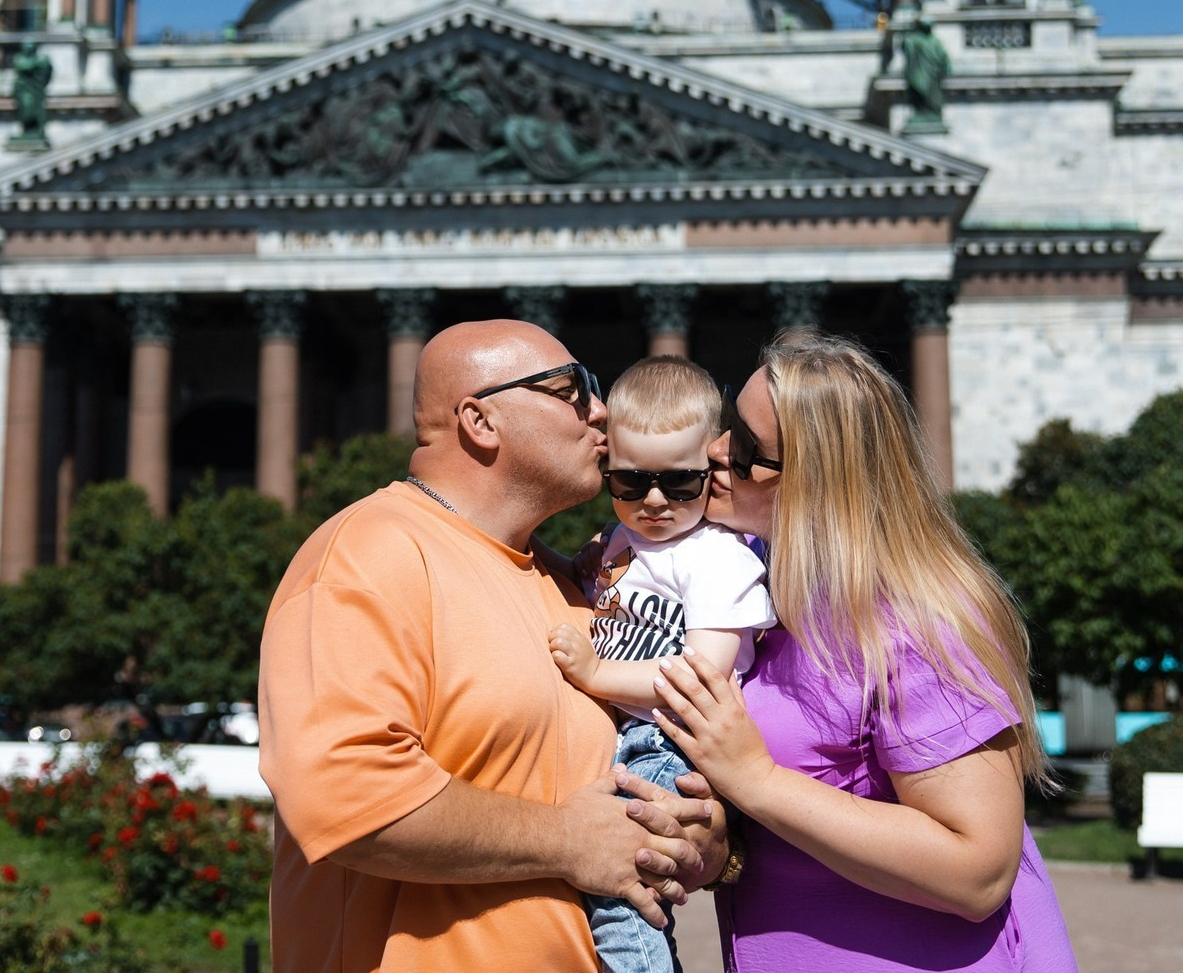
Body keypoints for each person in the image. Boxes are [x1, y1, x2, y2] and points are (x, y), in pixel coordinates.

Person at [258, 320, 727, 973]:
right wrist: (568, 840)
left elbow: (629, 794)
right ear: (481, 420)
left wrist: (698, 838)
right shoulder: (369, 553)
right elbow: (345, 801)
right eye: (572, 390)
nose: (601, 411)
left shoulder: (578, 583)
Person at [652, 328, 1079, 972]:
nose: (712, 451)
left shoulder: (917, 622)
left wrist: (758, 783)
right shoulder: (763, 595)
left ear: (821, 481)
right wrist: (723, 846)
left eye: (746, 449)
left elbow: (976, 870)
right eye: (725, 426)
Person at [549, 356, 775, 973]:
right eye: (630, 482)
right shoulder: (621, 540)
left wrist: (594, 675)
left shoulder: (718, 558)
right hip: (625, 731)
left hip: (671, 739)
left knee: (626, 888)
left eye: (679, 483)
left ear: (714, 466)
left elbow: (700, 679)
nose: (652, 500)